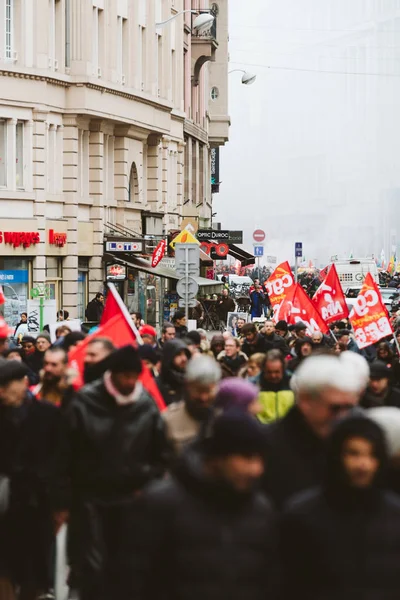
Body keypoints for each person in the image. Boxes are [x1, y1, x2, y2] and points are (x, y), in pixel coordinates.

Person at [128, 411, 279, 600]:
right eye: (246, 457)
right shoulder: (161, 505)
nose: (256, 469)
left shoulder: (261, 510)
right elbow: (131, 579)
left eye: (260, 459)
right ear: (217, 458)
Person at [66, 345, 169, 600]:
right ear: (112, 374)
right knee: (93, 566)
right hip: (91, 499)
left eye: (134, 377)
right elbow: (67, 452)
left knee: (128, 565)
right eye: (124, 376)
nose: (129, 382)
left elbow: (162, 455)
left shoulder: (146, 405)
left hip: (133, 499)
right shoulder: (85, 402)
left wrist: (145, 481)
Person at [281, 416, 400, 600]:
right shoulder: (301, 516)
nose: (364, 465)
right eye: (354, 453)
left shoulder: (394, 516)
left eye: (372, 455)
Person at [0, 359, 69, 599]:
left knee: (34, 570)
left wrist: (60, 503)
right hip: (6, 506)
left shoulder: (47, 415)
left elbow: (62, 459)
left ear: (23, 383)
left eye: (5, 386)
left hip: (37, 504)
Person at [263, 353, 369, 508]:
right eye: (336, 408)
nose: (344, 416)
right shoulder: (267, 446)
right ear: (306, 400)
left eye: (349, 407)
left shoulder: (357, 439)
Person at [163, 356, 221, 456]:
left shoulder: (226, 417)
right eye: (198, 391)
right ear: (188, 387)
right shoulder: (169, 420)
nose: (204, 397)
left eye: (208, 391)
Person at [256, 350, 295, 423]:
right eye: (269, 372)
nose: (273, 376)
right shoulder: (254, 386)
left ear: (283, 370)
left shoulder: (294, 384)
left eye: (277, 372)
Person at [156, 339, 191, 406]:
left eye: (185, 354)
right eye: (179, 354)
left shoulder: (190, 382)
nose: (184, 358)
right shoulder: (157, 385)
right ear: (169, 357)